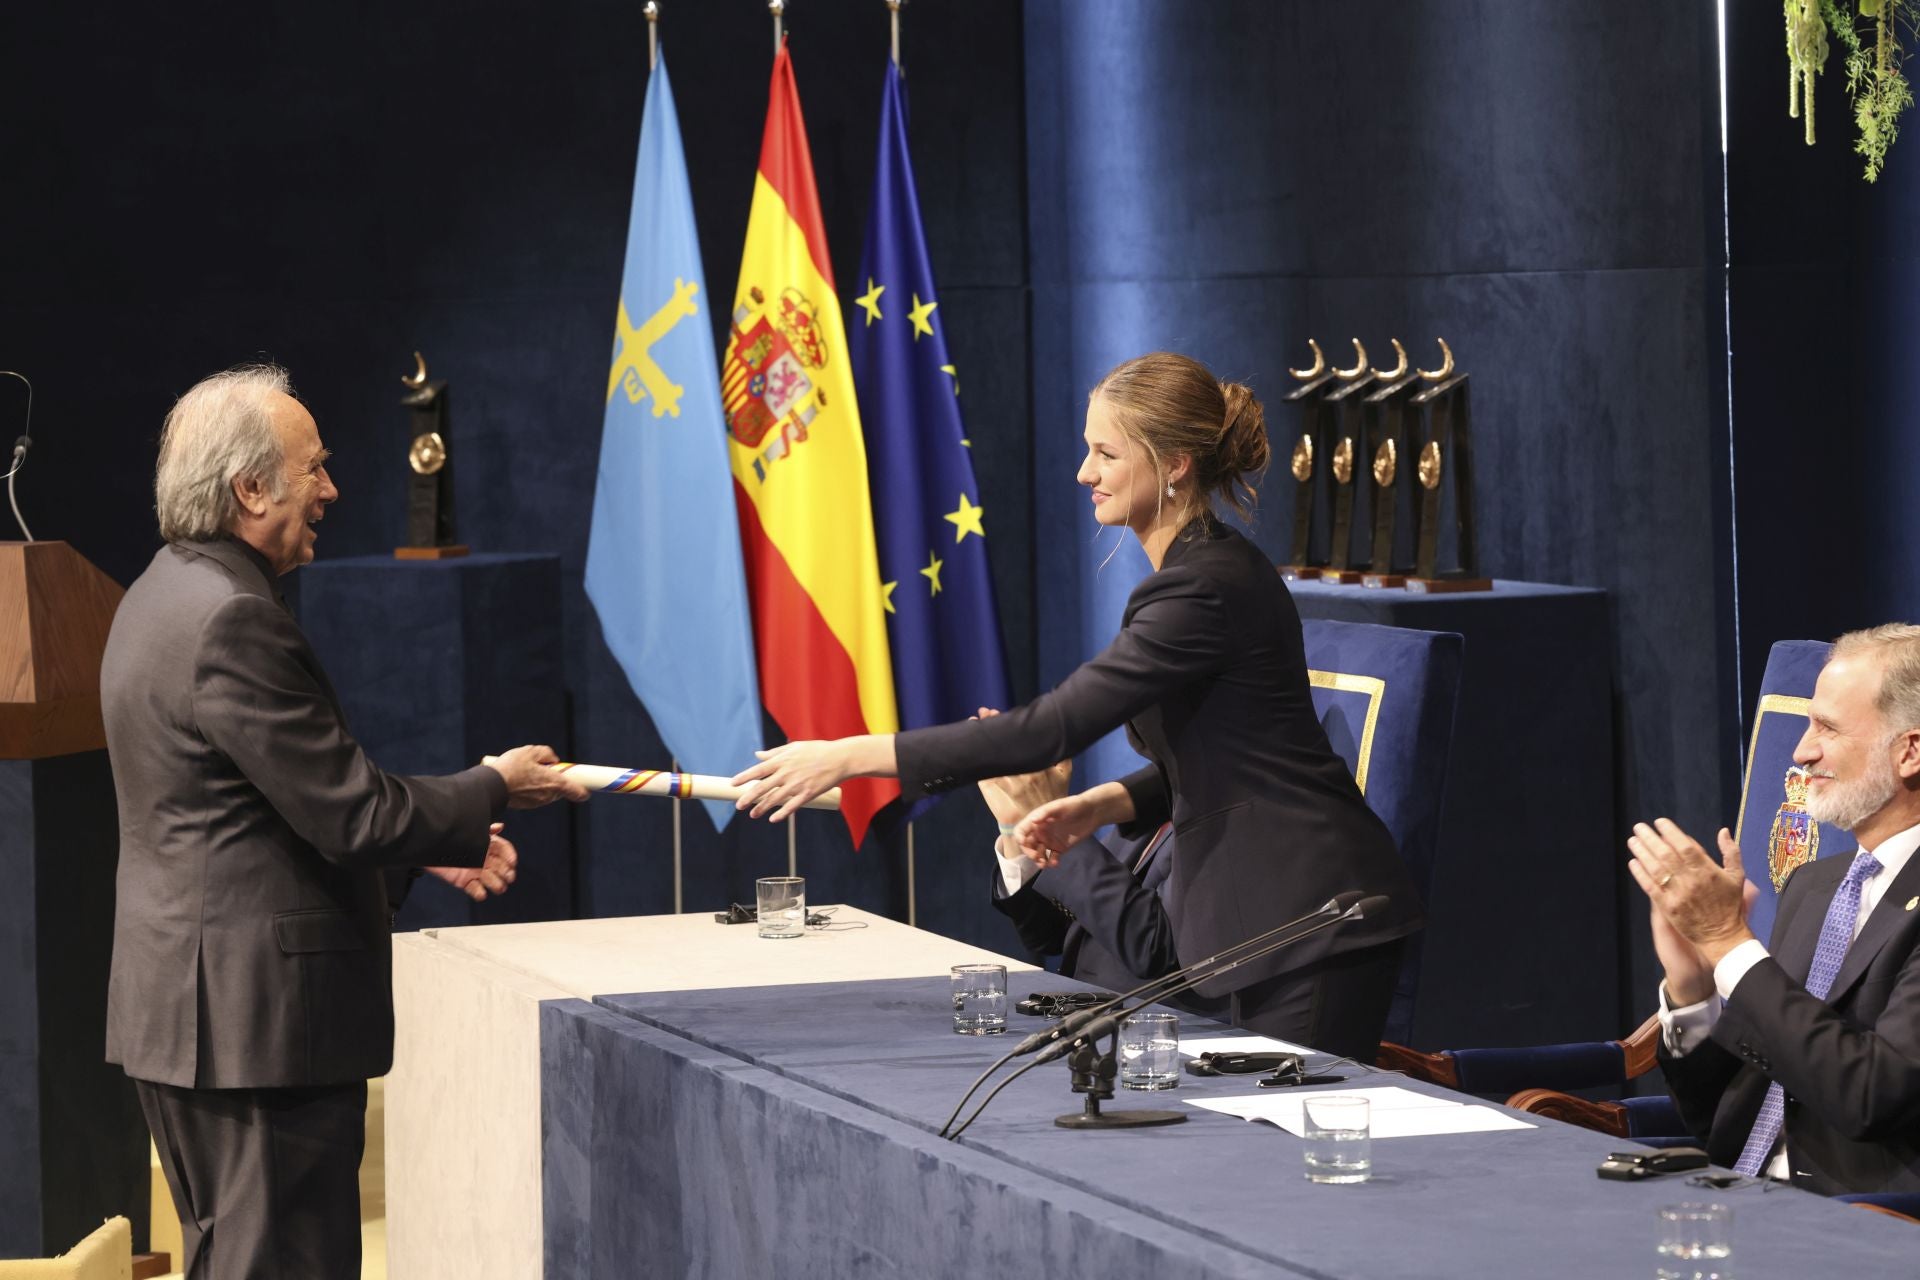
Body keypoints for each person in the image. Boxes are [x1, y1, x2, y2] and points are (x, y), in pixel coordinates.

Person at [733, 352, 1423, 1058]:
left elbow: (1050, 729)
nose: (1084, 472)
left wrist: (849, 755)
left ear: (1175, 463)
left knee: (1286, 1156)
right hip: (1272, 921)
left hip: (1310, 920)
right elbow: (1227, 748)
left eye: (1105, 452)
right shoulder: (1199, 573)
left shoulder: (1203, 588)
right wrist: (1103, 806)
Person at [100, 365, 590, 1279]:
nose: (332, 489)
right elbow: (351, 811)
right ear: (249, 488)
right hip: (257, 1034)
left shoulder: (157, 594)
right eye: (312, 469)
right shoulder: (234, 620)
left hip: (195, 1017)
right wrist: (489, 784)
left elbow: (253, 821)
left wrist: (422, 852)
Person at [1629, 624, 1920, 1195]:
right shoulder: (1816, 885)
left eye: (1827, 728)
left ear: (1909, 751)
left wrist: (1729, 941)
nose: (1801, 751)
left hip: (1868, 1224)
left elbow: (1871, 1098)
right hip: (1738, 1197)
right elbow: (1721, 1119)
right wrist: (1696, 994)